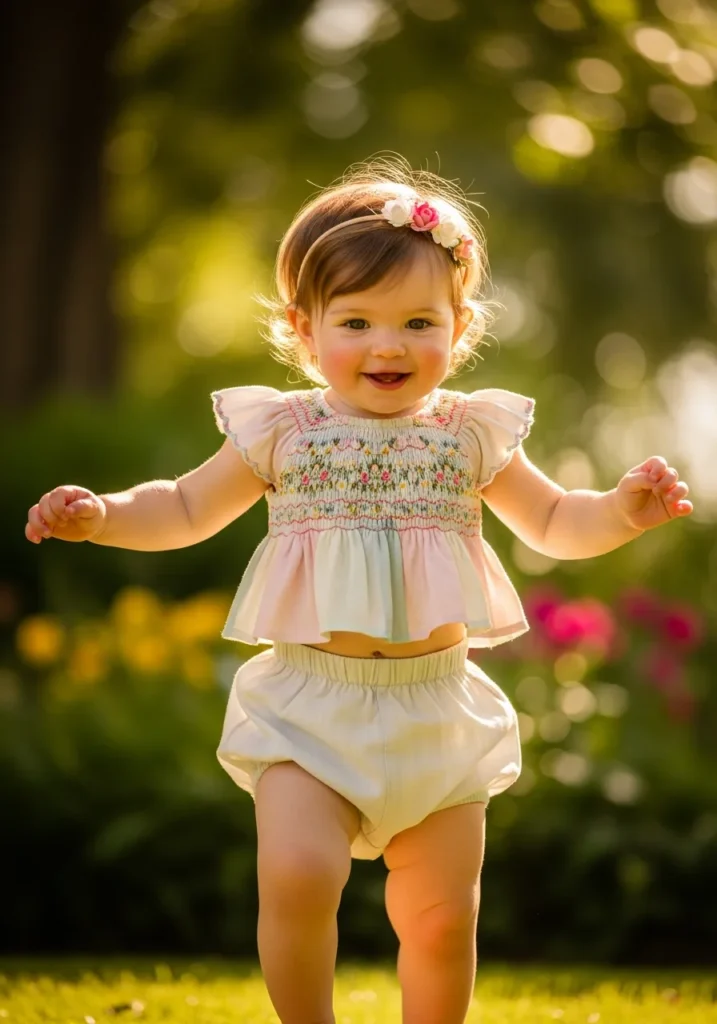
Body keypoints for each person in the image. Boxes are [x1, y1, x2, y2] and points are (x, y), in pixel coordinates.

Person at [25, 157, 693, 1024]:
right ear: (305, 333)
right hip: (311, 708)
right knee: (298, 877)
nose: (389, 345)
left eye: (420, 321)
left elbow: (558, 521)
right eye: (358, 322)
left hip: (436, 709)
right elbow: (185, 506)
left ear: (460, 329)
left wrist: (622, 512)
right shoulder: (283, 430)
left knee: (443, 917)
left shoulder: (469, 433)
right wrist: (104, 514)